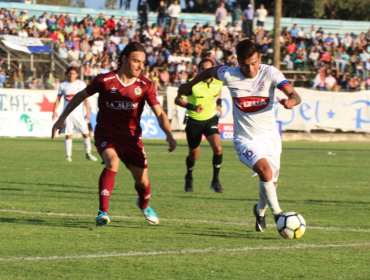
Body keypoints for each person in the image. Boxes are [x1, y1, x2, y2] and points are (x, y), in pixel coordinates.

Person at [178, 39, 302, 232]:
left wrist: (291, 101)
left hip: (271, 138)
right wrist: (190, 84)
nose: (250, 69)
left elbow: (294, 94)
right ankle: (278, 214)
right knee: (265, 172)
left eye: (254, 63)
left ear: (259, 58)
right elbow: (208, 71)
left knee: (270, 183)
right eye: (245, 65)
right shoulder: (229, 73)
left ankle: (260, 211)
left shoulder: (270, 73)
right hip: (245, 139)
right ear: (238, 62)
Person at [52, 42, 177, 227]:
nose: (140, 66)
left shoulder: (145, 85)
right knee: (112, 162)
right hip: (106, 133)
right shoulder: (104, 80)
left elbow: (159, 112)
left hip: (132, 137)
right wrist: (61, 118)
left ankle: (143, 204)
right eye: (136, 61)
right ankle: (103, 212)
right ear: (124, 59)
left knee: (142, 182)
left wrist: (169, 133)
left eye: (142, 62)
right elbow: (79, 96)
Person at [175, 58, 224, 193]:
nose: (206, 71)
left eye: (208, 68)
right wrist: (192, 106)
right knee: (193, 155)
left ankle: (215, 181)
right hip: (194, 122)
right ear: (199, 70)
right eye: (203, 69)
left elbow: (218, 90)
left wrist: (219, 104)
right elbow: (177, 99)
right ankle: (189, 176)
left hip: (210, 119)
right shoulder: (192, 85)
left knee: (218, 148)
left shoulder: (218, 82)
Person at [52, 67, 98, 163]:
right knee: (68, 135)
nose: (71, 75)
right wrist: (54, 111)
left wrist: (88, 112)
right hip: (68, 115)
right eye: (69, 73)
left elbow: (85, 98)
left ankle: (88, 153)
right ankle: (68, 156)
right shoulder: (62, 85)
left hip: (79, 114)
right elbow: (58, 99)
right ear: (67, 74)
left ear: (77, 74)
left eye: (73, 73)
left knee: (85, 133)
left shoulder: (81, 84)